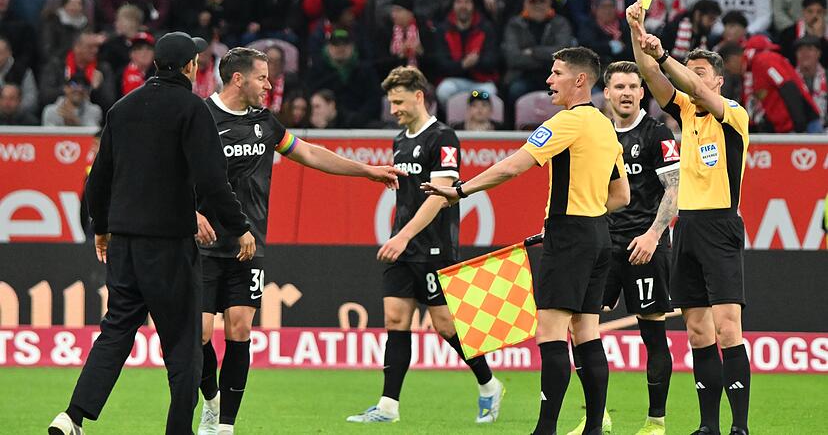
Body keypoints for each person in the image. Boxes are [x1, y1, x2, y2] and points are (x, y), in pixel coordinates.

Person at [48, 31, 256, 435]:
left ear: (155, 65)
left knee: (115, 332)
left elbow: (97, 181)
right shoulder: (191, 109)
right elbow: (213, 181)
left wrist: (102, 229)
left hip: (124, 244)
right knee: (183, 346)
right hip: (170, 247)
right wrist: (240, 227)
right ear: (190, 67)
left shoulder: (121, 109)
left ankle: (72, 416)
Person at [194, 47, 403, 435]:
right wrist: (193, 214)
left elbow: (308, 152)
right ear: (238, 79)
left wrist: (366, 171)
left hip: (248, 245)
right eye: (261, 77)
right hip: (203, 245)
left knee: (239, 328)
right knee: (199, 335)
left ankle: (225, 426)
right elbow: (172, 172)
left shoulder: (264, 122)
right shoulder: (200, 118)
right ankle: (211, 399)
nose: (268, 85)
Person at [423, 48, 631, 435]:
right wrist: (587, 212)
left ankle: (546, 429)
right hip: (598, 235)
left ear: (580, 80)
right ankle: (594, 430)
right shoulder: (605, 126)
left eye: (556, 74)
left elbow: (515, 164)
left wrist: (460, 190)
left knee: (551, 333)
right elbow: (622, 196)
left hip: (569, 235)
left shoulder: (567, 122)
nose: (549, 81)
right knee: (586, 333)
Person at [347, 66, 506, 426]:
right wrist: (400, 234)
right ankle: (388, 406)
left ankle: (489, 383)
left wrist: (403, 236)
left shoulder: (444, 138)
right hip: (403, 244)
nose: (394, 110)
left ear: (419, 96)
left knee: (446, 325)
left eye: (399, 101)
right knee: (395, 319)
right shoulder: (400, 139)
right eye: (391, 102)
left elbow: (439, 198)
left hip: (435, 246)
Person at [628, 0, 751, 435]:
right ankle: (708, 426)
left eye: (701, 73)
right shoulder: (684, 112)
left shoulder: (733, 114)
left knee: (726, 327)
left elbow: (690, 87)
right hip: (688, 228)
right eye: (691, 71)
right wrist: (637, 33)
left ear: (718, 80)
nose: (693, 80)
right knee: (698, 331)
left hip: (719, 224)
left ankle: (740, 427)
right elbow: (650, 76)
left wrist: (664, 53)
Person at [570, 61, 680, 435]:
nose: (628, 93)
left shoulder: (656, 133)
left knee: (653, 333)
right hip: (602, 243)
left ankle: (655, 421)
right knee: (580, 325)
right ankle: (596, 415)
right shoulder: (595, 133)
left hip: (645, 244)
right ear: (607, 93)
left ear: (643, 92)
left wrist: (652, 235)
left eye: (634, 86)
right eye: (620, 87)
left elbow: (675, 190)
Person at [502, 0, 575, 107]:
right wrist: (547, 59)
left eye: (542, 1)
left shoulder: (561, 23)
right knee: (515, 90)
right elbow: (512, 58)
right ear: (525, 4)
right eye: (533, 2)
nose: (538, 5)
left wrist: (532, 52)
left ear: (549, 3)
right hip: (523, 75)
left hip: (555, 76)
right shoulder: (514, 24)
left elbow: (564, 54)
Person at [433, 0, 500, 107]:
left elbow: (493, 61)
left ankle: (479, 125)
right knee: (444, 90)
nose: (463, 6)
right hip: (454, 82)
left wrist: (476, 62)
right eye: (459, 1)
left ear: (473, 5)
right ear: (453, 5)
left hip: (480, 83)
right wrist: (463, 64)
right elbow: (441, 64)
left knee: (489, 93)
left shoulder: (486, 28)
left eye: (467, 2)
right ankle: (453, 122)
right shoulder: (443, 29)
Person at [778, 0, 828, 68]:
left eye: (819, 12)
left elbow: (825, 64)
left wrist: (820, 38)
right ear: (803, 12)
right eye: (810, 11)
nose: (814, 16)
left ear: (825, 13)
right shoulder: (789, 34)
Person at [794, 35, 827, 132]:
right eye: (800, 50)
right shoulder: (789, 79)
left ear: (818, 53)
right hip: (797, 132)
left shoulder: (827, 76)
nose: (805, 53)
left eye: (809, 49)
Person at [121, 32, 155, 96]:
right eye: (139, 49)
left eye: (148, 49)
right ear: (131, 54)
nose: (144, 53)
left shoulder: (159, 74)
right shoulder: (120, 75)